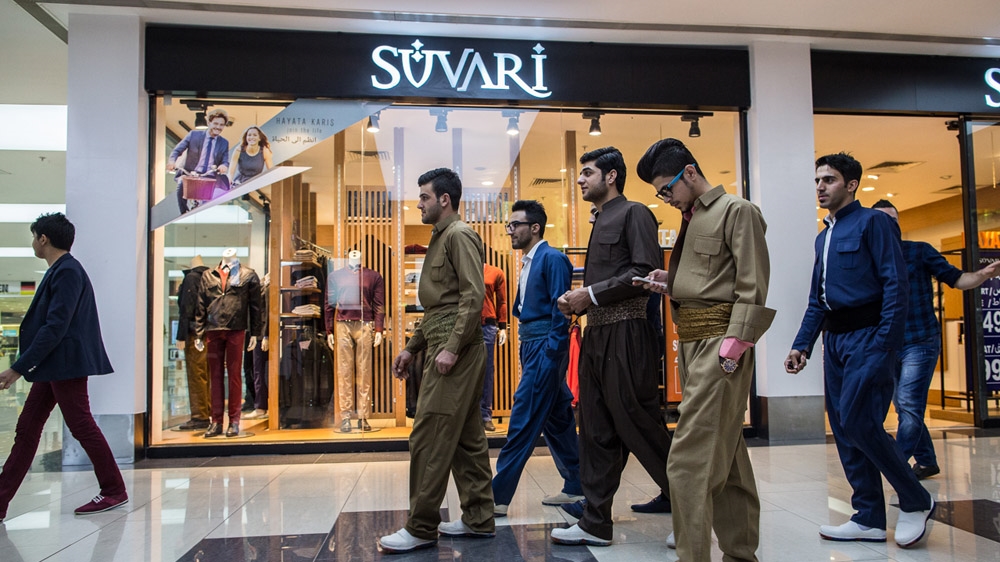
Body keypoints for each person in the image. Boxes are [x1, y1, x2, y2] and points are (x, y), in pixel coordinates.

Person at [635, 138, 775, 561]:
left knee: (687, 463)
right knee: (729, 460)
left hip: (720, 345)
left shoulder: (738, 211)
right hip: (693, 343)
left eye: (667, 189)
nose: (666, 198)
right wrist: (670, 281)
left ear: (690, 173)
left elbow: (752, 283)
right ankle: (739, 552)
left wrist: (734, 348)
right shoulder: (692, 217)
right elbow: (709, 280)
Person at [786, 153, 935, 549]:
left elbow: (895, 284)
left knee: (857, 421)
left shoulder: (875, 223)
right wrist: (802, 344)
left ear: (851, 185)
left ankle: (916, 498)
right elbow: (817, 299)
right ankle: (868, 516)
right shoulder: (825, 235)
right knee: (845, 428)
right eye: (817, 180)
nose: (820, 186)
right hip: (835, 342)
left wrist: (885, 343)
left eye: (829, 180)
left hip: (870, 338)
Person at [551, 147, 672, 547]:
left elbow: (644, 272)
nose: (581, 180)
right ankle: (595, 522)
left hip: (628, 334)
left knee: (636, 422)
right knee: (596, 428)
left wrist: (591, 294)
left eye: (588, 173)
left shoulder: (635, 212)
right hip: (597, 334)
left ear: (612, 176)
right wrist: (580, 300)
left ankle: (691, 503)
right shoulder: (601, 218)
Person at [378, 168, 494, 553]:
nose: (419, 203)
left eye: (424, 196)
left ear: (444, 199)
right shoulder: (441, 237)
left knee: (429, 433)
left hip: (455, 349)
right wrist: (412, 347)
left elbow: (472, 299)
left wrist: (452, 347)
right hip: (444, 342)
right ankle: (479, 518)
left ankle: (422, 525)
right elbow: (437, 308)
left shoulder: (459, 235)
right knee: (465, 436)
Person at [0, 213, 128, 522]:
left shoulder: (67, 271)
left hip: (64, 363)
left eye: (34, 237)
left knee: (81, 424)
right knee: (27, 428)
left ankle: (113, 489)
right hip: (54, 365)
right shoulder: (62, 270)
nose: (33, 242)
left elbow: (55, 326)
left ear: (43, 239)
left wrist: (17, 367)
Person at [871, 199, 1000, 479]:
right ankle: (927, 461)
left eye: (893, 220)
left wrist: (983, 275)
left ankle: (896, 466)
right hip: (888, 343)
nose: (889, 225)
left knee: (908, 403)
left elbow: (956, 279)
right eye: (882, 221)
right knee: (905, 405)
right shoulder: (870, 259)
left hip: (921, 340)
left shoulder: (919, 252)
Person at [491, 200, 583, 517]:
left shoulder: (552, 258)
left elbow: (563, 310)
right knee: (557, 418)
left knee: (523, 416)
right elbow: (521, 308)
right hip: (531, 343)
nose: (510, 231)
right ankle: (577, 486)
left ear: (534, 227)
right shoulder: (528, 261)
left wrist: (552, 353)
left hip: (545, 345)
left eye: (514, 224)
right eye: (509, 225)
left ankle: (496, 498)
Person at [193, 248, 264, 439]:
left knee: (234, 376)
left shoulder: (248, 275)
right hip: (213, 328)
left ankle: (234, 421)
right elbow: (200, 305)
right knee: (214, 377)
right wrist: (199, 333)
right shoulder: (208, 275)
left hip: (236, 328)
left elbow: (256, 307)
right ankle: (215, 421)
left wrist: (256, 334)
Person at [324, 250, 385, 432]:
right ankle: (345, 417)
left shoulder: (373, 276)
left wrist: (379, 329)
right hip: (342, 324)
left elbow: (379, 304)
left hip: (366, 324)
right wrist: (329, 330)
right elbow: (329, 303)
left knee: (364, 370)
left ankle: (364, 416)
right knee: (344, 371)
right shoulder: (336, 276)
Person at [167, 108, 230, 213]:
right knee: (182, 183)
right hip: (191, 173)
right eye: (215, 123)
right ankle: (183, 213)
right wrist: (171, 162)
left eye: (221, 125)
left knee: (207, 203)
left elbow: (225, 160)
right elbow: (177, 150)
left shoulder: (224, 142)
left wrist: (223, 166)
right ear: (209, 122)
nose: (218, 127)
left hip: (209, 176)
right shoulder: (194, 135)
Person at [175, 255, 211, 430]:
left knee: (196, 373)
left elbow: (187, 309)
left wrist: (180, 335)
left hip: (194, 332)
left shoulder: (192, 278)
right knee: (206, 373)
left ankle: (199, 416)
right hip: (208, 332)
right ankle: (207, 412)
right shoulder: (210, 276)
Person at [480, 261, 507, 432]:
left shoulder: (495, 272)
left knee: (487, 371)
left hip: (487, 326)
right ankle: (468, 417)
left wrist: (502, 327)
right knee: (465, 371)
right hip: (466, 324)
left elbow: (502, 301)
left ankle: (485, 415)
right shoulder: (463, 268)